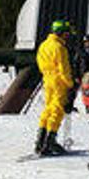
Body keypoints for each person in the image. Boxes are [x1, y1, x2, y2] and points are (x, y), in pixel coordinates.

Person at [34, 19, 74, 156]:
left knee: (48, 108)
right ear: (61, 33)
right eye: (67, 34)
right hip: (59, 82)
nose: (67, 36)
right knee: (57, 110)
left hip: (47, 80)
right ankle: (50, 140)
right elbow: (65, 69)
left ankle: (40, 140)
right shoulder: (59, 47)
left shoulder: (43, 45)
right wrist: (70, 84)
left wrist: (48, 74)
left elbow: (39, 63)